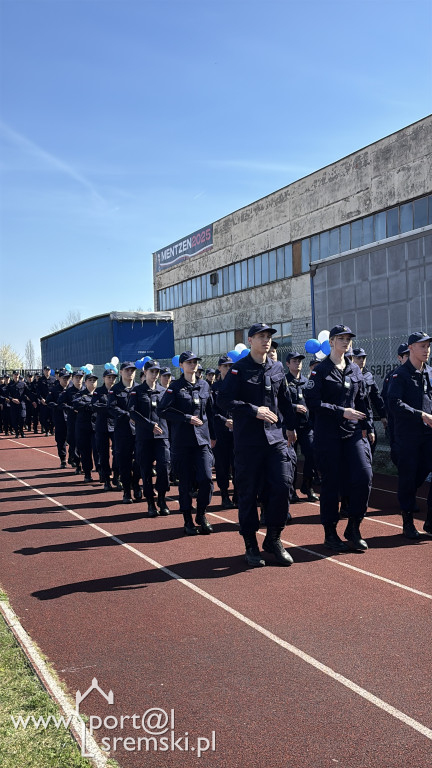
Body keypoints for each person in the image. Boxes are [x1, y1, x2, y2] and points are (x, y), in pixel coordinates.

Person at [219, 323, 297, 567]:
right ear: (250, 340)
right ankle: (251, 543)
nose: (266, 341)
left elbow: (284, 400)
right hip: (249, 442)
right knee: (248, 493)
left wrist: (292, 427)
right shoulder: (238, 370)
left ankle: (273, 538)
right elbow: (224, 400)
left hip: (275, 440)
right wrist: (254, 411)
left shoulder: (276, 367)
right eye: (261, 337)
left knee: (283, 486)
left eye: (269, 337)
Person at [304, 324, 373, 552]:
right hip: (328, 434)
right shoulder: (320, 370)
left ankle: (353, 526)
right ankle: (330, 532)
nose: (346, 342)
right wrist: (340, 411)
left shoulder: (354, 370)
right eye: (341, 338)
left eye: (348, 339)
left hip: (352, 432)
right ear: (331, 341)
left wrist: (368, 425)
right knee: (331, 484)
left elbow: (362, 400)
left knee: (364, 476)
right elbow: (313, 403)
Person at [158, 350, 215, 535]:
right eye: (189, 362)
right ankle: (187, 520)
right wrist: (185, 417)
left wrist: (213, 436)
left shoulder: (205, 385)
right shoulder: (174, 388)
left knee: (206, 479)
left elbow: (210, 412)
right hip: (182, 442)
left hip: (202, 441)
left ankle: (201, 513)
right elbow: (162, 410)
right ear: (181, 366)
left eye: (195, 362)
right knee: (185, 482)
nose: (193, 365)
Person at [387, 331, 432, 538]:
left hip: (428, 434)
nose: (427, 350)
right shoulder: (400, 375)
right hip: (408, 435)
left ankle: (430, 522)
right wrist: (419, 414)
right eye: (422, 346)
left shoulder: (430, 372)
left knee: (419, 476)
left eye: (428, 346)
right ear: (411, 348)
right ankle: (407, 523)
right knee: (408, 478)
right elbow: (394, 403)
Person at [129, 360, 171, 516]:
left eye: (156, 372)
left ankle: (162, 498)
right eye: (151, 371)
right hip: (145, 437)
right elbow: (132, 412)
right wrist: (149, 424)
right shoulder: (137, 391)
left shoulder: (164, 391)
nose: (154, 374)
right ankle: (150, 503)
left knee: (164, 468)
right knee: (146, 470)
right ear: (145, 372)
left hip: (162, 437)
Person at [285, 352, 319, 502]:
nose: (297, 363)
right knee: (291, 460)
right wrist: (294, 407)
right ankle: (291, 491)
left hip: (306, 426)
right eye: (294, 361)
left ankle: (307, 485)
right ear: (287, 364)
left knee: (312, 454)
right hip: (290, 426)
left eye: (299, 361)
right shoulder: (284, 382)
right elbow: (280, 403)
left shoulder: (307, 381)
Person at [107, 362, 142, 504]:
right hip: (122, 431)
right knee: (124, 462)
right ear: (121, 372)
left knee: (140, 460)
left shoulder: (140, 388)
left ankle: (136, 483)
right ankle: (127, 492)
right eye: (127, 370)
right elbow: (111, 408)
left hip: (139, 432)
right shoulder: (115, 390)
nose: (130, 373)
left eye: (132, 370)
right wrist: (128, 415)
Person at [351, 348, 387, 454]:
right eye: (359, 358)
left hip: (367, 416)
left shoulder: (368, 375)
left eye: (363, 357)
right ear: (352, 359)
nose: (362, 360)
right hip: (353, 418)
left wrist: (383, 416)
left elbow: (376, 397)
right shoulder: (348, 375)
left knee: (371, 443)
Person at [212, 355, 236, 509]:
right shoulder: (213, 388)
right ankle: (225, 495)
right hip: (221, 432)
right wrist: (224, 421)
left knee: (239, 464)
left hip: (237, 431)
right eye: (225, 366)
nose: (228, 368)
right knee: (222, 465)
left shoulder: (237, 385)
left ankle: (238, 494)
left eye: (230, 366)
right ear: (219, 368)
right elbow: (211, 411)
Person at [381, 343, 409, 466]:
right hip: (396, 421)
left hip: (416, 421)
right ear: (400, 358)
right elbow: (386, 398)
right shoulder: (393, 375)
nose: (410, 357)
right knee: (398, 452)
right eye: (406, 355)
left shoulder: (424, 373)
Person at [92, 368, 120, 491]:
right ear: (104, 378)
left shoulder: (118, 390)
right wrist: (109, 408)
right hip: (102, 426)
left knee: (118, 452)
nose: (111, 380)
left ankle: (117, 476)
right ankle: (106, 479)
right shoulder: (98, 391)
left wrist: (111, 408)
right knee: (103, 454)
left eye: (113, 377)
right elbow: (95, 405)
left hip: (116, 426)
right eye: (109, 377)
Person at [73, 373, 100, 482]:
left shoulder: (100, 394)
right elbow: (76, 404)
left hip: (96, 427)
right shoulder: (80, 394)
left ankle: (101, 471)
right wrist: (90, 406)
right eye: (90, 380)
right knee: (85, 451)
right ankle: (87, 473)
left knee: (98, 450)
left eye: (94, 380)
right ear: (86, 382)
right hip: (83, 427)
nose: (92, 382)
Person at [59, 370, 85, 471]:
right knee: (74, 442)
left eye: (80, 377)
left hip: (85, 421)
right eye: (76, 377)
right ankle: (77, 464)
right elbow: (61, 403)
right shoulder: (68, 392)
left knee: (85, 444)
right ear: (72, 379)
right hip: (73, 421)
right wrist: (71, 408)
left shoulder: (86, 390)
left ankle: (84, 464)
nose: (78, 379)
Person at [47, 369, 71, 467]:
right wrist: (56, 406)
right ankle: (63, 459)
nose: (66, 380)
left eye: (67, 378)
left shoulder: (72, 389)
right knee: (60, 440)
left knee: (73, 439)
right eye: (64, 378)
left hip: (71, 418)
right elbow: (49, 402)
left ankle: (73, 457)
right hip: (59, 418)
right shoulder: (54, 389)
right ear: (59, 378)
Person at [7, 370, 26, 438]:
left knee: (22, 417)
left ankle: (21, 430)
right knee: (14, 419)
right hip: (13, 404)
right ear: (13, 375)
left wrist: (33, 401)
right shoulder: (10, 385)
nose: (16, 375)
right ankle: (17, 432)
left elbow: (27, 393)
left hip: (21, 404)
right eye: (15, 374)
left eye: (17, 374)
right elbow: (7, 394)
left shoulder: (23, 384)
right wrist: (12, 399)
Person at [37, 366, 55, 435]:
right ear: (43, 371)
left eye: (48, 370)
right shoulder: (40, 380)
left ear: (50, 371)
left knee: (52, 417)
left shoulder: (53, 380)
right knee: (44, 418)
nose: (47, 371)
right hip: (43, 401)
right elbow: (38, 391)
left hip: (51, 401)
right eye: (46, 370)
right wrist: (41, 399)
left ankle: (51, 429)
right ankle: (46, 430)